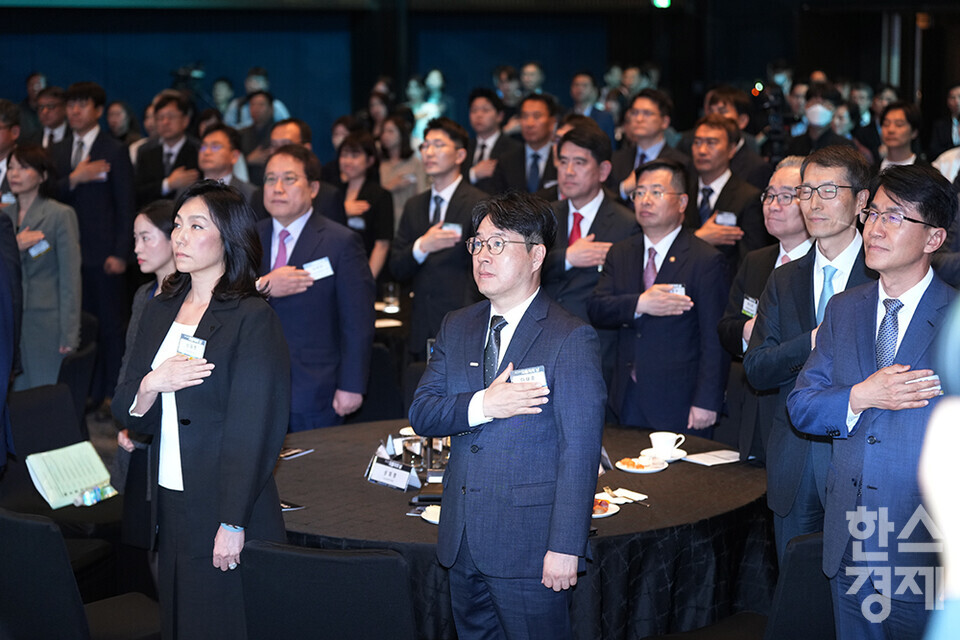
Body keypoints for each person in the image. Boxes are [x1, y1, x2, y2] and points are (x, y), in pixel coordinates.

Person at [410, 191, 605, 640]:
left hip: (531, 548)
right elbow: (423, 412)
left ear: (536, 255)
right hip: (461, 540)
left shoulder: (570, 337)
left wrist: (566, 546)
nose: (483, 255)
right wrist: (483, 404)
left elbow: (579, 451)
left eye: (498, 243)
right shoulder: (457, 324)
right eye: (477, 243)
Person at [113, 181, 291, 639]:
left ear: (228, 238)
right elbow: (126, 409)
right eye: (177, 225)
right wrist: (153, 383)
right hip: (168, 494)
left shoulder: (251, 317)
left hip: (224, 501)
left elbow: (253, 428)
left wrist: (232, 521)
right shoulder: (161, 308)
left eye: (196, 226)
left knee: (220, 622)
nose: (180, 237)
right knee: (179, 619)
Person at [787, 164, 956, 640]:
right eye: (873, 213)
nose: (876, 229)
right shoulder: (845, 308)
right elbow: (802, 406)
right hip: (851, 541)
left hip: (927, 544)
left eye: (896, 217)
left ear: (934, 238)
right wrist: (861, 396)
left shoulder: (955, 319)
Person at [743, 144, 877, 563]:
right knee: (795, 591)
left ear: (862, 200)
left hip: (862, 461)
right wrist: (814, 339)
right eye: (806, 191)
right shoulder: (784, 279)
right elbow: (757, 368)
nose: (814, 203)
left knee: (860, 591)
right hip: (794, 460)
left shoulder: (881, 273)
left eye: (829, 190)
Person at [589, 159, 729, 435]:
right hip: (626, 395)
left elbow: (714, 339)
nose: (646, 200)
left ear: (682, 202)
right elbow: (597, 307)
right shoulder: (621, 252)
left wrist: (707, 401)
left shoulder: (705, 260)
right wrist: (640, 304)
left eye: (656, 192)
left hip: (680, 401)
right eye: (639, 192)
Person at [257, 145, 375, 431]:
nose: (277, 188)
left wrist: (351, 385)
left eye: (289, 179)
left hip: (315, 387)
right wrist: (262, 286)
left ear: (313, 188)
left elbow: (357, 320)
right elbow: (225, 298)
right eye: (270, 179)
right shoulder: (248, 238)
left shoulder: (340, 242)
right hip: (255, 387)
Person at [716, 156, 811, 461]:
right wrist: (750, 329)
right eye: (769, 196)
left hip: (801, 409)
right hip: (754, 406)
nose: (773, 205)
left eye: (786, 196)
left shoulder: (823, 266)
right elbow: (727, 328)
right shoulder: (756, 261)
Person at [51, 81, 135, 414]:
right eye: (71, 104)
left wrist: (121, 252)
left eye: (82, 104)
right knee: (80, 327)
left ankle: (113, 395)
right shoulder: (58, 149)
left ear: (98, 110)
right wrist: (76, 177)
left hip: (104, 256)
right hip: (66, 255)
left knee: (110, 327)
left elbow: (126, 205)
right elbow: (48, 192)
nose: (74, 111)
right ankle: (87, 392)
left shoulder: (113, 149)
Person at [542, 125, 636, 385]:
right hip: (544, 343)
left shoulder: (626, 223)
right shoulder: (544, 216)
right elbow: (523, 270)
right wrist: (567, 258)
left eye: (579, 162)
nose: (568, 171)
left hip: (598, 349)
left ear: (603, 170)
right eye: (563, 162)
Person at [389, 117, 487, 361]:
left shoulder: (480, 203)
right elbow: (396, 266)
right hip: (420, 325)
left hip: (464, 323)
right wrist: (421, 246)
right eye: (425, 145)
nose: (429, 152)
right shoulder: (414, 205)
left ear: (460, 155)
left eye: (438, 145)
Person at [4, 145, 81, 390]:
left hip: (45, 321)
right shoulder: (4, 216)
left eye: (23, 167)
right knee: (12, 396)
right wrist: (14, 246)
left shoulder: (60, 215)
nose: (14, 174)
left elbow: (70, 278)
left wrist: (70, 333)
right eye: (11, 167)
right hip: (8, 317)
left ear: (42, 175)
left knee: (42, 391)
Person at [685, 113, 770, 272]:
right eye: (697, 142)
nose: (702, 150)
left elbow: (750, 260)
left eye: (711, 143)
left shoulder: (748, 197)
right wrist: (698, 237)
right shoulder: (682, 193)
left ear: (731, 150)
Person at [249, 118, 347, 226]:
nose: (279, 152)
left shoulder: (328, 197)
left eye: (286, 145)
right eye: (274, 145)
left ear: (306, 148)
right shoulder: (260, 196)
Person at [610, 89, 692, 203]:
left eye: (647, 113)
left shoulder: (680, 163)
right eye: (634, 113)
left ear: (665, 122)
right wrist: (623, 189)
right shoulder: (616, 159)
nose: (639, 119)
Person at [338, 131, 393, 280]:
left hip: (366, 269)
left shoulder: (380, 195)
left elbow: (382, 244)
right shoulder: (335, 192)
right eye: (344, 155)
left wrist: (366, 281)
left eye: (355, 156)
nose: (348, 161)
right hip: (338, 269)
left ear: (370, 160)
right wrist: (343, 210)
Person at [134, 92, 199, 208]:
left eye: (171, 116)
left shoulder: (198, 150)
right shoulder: (145, 151)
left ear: (185, 120)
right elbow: (138, 191)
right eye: (160, 118)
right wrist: (168, 184)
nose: (165, 122)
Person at [493, 93, 559, 194]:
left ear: (552, 122)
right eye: (525, 116)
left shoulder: (561, 160)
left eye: (537, 116)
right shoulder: (506, 161)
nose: (529, 123)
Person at [462, 88, 521, 195]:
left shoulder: (514, 149)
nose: (479, 115)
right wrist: (473, 174)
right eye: (474, 110)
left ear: (500, 116)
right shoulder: (463, 148)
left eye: (485, 110)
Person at [379, 115, 427, 229]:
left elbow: (422, 193)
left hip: (408, 220)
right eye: (383, 131)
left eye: (390, 131)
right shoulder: (381, 164)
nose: (385, 136)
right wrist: (391, 186)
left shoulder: (415, 163)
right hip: (384, 220)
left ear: (401, 134)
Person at [198, 124, 256, 205]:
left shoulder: (251, 194)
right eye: (203, 147)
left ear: (234, 156)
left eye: (215, 147)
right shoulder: (186, 190)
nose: (206, 152)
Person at [569, 71, 615, 141]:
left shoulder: (605, 117)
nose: (579, 88)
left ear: (593, 90)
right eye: (576, 85)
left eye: (585, 85)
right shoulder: (565, 116)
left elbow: (610, 144)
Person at [879, 100, 924, 170]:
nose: (891, 130)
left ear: (914, 132)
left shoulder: (925, 171)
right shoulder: (870, 172)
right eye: (886, 124)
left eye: (899, 125)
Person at [927, 83, 960, 161]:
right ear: (947, 101)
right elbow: (933, 151)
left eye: (959, 97)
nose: (957, 101)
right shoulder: (940, 125)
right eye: (952, 98)